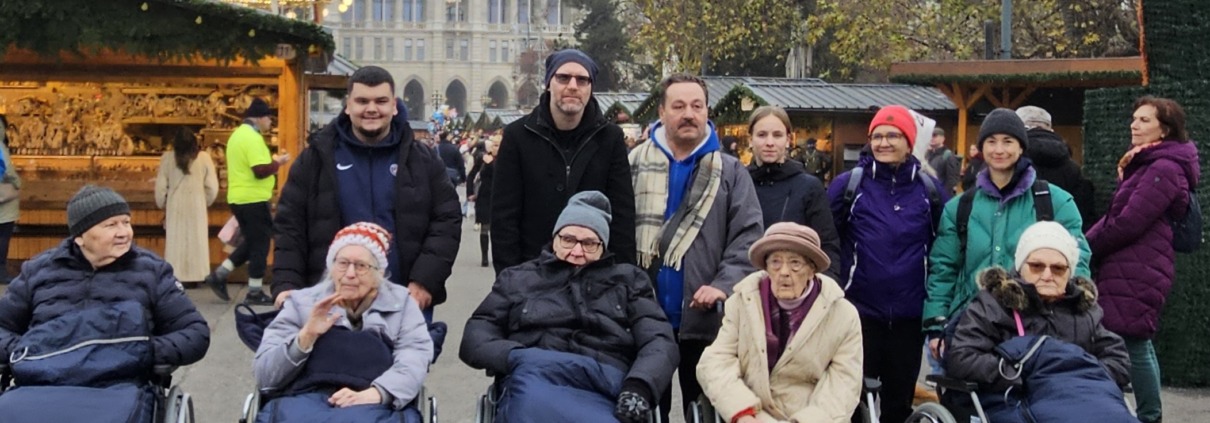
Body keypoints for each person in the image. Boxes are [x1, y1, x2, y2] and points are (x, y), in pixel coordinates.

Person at [460, 191, 678, 423]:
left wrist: (639, 386)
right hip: (535, 372)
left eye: (589, 244)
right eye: (568, 240)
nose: (576, 251)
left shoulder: (629, 281)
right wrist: (514, 357)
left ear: (603, 246)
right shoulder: (518, 278)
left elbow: (659, 341)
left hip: (605, 380)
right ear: (555, 238)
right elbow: (477, 334)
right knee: (528, 404)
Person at [0, 186, 210, 419]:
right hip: (40, 385)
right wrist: (24, 351)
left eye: (126, 222)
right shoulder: (38, 271)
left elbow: (195, 333)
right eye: (111, 225)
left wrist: (140, 350)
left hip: (118, 387)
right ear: (80, 236)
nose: (124, 232)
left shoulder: (152, 272)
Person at [273, 66, 461, 318]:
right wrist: (286, 284)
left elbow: (446, 221)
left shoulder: (423, 160)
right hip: (330, 302)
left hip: (405, 302)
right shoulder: (316, 159)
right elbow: (290, 226)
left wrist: (425, 281)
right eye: (362, 101)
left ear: (394, 106)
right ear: (347, 105)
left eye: (380, 101)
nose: (371, 109)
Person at [629, 74, 763, 421]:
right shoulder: (632, 164)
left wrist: (722, 285)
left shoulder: (731, 172)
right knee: (645, 413)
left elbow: (748, 237)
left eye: (697, 106)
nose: (688, 113)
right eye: (678, 106)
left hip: (705, 321)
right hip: (642, 316)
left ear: (707, 111)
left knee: (703, 413)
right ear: (662, 111)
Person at [924, 108, 1090, 368]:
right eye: (991, 141)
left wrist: (1073, 311)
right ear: (981, 148)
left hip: (1035, 326)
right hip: (971, 325)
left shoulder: (1054, 201)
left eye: (1008, 141)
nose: (999, 149)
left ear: (1022, 147)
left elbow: (1077, 258)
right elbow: (943, 268)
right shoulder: (960, 207)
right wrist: (936, 324)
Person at [826, 105, 948, 423]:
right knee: (852, 402)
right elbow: (828, 241)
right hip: (859, 313)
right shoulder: (848, 186)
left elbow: (942, 247)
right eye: (877, 136)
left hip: (909, 316)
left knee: (898, 405)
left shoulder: (930, 191)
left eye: (893, 135)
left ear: (909, 142)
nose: (884, 142)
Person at [946, 221, 1132, 423]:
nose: (1047, 275)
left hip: (1081, 401)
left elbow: (1118, 359)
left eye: (1058, 269)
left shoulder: (1085, 312)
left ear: (1070, 273)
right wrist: (1017, 374)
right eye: (1036, 266)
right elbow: (962, 358)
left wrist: (1080, 377)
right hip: (1012, 399)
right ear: (1020, 266)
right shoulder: (992, 305)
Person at [1086, 96, 1199, 423]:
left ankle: (1149, 416)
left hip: (1139, 266)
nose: (1134, 124)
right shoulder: (1147, 164)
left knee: (1131, 341)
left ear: (1164, 130)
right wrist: (1078, 241)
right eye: (1134, 118)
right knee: (1135, 341)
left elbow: (1129, 221)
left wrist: (1087, 246)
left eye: (1144, 120)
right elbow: (1115, 216)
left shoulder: (1162, 168)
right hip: (1134, 264)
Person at [255, 222, 433, 422]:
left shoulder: (402, 305)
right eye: (342, 263)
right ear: (331, 267)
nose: (349, 273)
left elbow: (413, 360)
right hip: (304, 398)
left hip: (375, 400)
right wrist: (306, 336)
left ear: (379, 272)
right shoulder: (301, 303)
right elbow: (265, 377)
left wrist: (376, 393)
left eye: (361, 266)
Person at [696, 222, 863, 423]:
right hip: (753, 412)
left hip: (811, 415)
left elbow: (843, 384)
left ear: (812, 270)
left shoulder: (843, 315)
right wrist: (743, 412)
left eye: (795, 263)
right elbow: (715, 362)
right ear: (766, 267)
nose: (784, 272)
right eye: (775, 262)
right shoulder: (742, 302)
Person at [491, 49, 636, 274]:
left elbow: (622, 217)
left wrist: (622, 279)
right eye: (563, 77)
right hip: (533, 272)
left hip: (594, 274)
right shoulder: (518, 136)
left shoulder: (610, 139)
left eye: (582, 79)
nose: (572, 86)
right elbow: (504, 219)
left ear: (590, 88)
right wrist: (509, 279)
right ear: (549, 83)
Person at [205, 97, 291, 304]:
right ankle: (254, 291)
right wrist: (278, 162)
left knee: (252, 241)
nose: (270, 123)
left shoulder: (237, 135)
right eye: (269, 118)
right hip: (253, 198)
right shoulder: (252, 138)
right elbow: (260, 170)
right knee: (260, 244)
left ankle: (220, 275)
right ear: (260, 118)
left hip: (239, 197)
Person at [745, 106, 840, 279]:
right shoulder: (738, 183)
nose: (769, 142)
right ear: (750, 139)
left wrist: (823, 293)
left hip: (796, 288)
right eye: (762, 135)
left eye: (777, 135)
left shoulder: (809, 187)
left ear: (788, 140)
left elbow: (827, 246)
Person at [155, 129, 219, 288]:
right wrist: (205, 201)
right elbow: (212, 187)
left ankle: (176, 274)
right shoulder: (204, 159)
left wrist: (163, 204)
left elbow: (161, 188)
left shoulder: (167, 159)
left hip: (175, 204)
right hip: (197, 203)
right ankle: (196, 274)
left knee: (176, 239)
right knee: (196, 239)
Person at [1016, 106, 1097, 230]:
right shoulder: (1074, 169)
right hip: (1064, 241)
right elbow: (1084, 216)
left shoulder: (1011, 166)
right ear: (1051, 130)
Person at [468, 136, 499, 267]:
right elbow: (471, 175)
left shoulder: (508, 158)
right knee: (484, 227)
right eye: (494, 145)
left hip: (501, 196)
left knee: (498, 229)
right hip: (485, 196)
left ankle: (498, 255)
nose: (496, 148)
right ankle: (484, 257)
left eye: (498, 145)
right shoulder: (483, 158)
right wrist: (470, 192)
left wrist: (491, 163)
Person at [0, 116, 18, 285]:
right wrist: (18, 182)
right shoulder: (1, 147)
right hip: (4, 202)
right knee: (3, 236)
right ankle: (1, 271)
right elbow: (9, 172)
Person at [926, 128, 961, 194]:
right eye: (930, 136)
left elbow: (951, 181)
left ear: (942, 139)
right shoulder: (927, 155)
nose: (932, 138)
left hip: (940, 195)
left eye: (934, 136)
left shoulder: (948, 156)